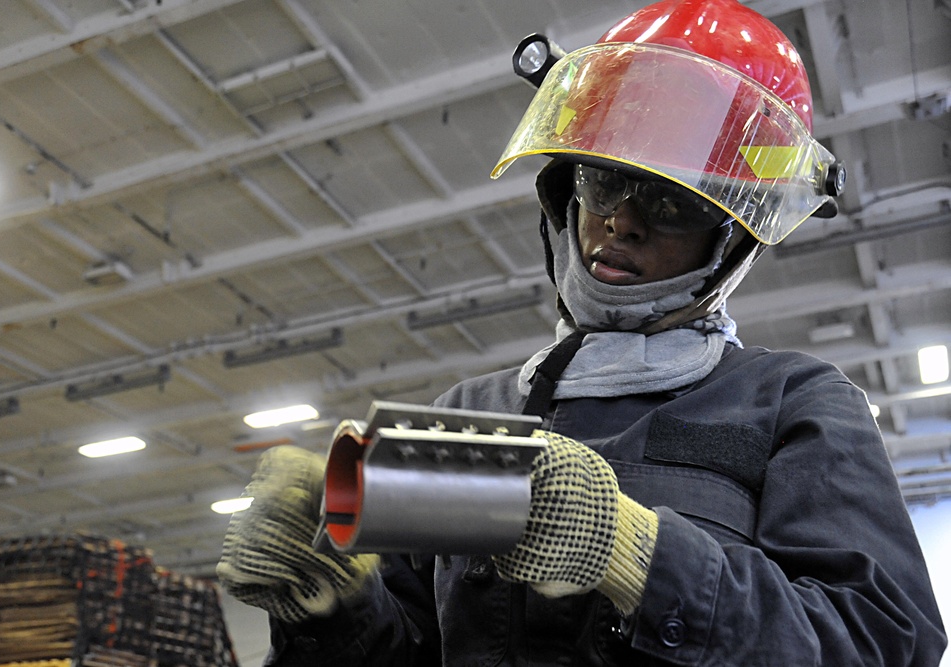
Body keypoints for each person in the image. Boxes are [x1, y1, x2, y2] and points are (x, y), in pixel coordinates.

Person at [216, 0, 948, 664]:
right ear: (566, 191)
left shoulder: (791, 402)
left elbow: (883, 643)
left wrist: (638, 555)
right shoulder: (474, 411)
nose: (621, 220)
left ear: (729, 236)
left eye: (669, 200)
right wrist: (331, 608)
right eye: (603, 182)